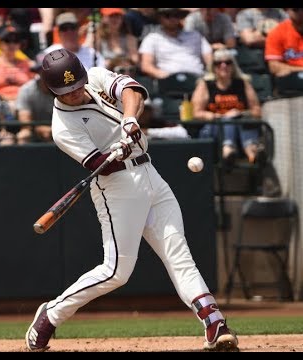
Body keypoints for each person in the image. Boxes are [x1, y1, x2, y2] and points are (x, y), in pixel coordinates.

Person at [25, 48, 239, 352]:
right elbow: (101, 164)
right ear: (52, 90)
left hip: (151, 174)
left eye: (77, 86)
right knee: (116, 272)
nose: (74, 93)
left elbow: (133, 90)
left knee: (179, 256)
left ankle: (215, 324)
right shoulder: (63, 128)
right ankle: (51, 314)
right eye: (66, 91)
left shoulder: (96, 77)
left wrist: (128, 121)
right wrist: (119, 150)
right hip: (117, 188)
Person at [192, 48, 262, 166]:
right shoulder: (205, 85)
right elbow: (196, 113)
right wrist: (221, 116)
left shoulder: (242, 83)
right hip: (213, 128)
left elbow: (257, 111)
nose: (223, 66)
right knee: (228, 121)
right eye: (218, 63)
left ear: (233, 66)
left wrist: (240, 113)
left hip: (239, 127)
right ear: (213, 67)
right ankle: (230, 150)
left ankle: (252, 155)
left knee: (240, 121)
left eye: (228, 62)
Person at [139, 8, 212, 79]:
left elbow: (208, 55)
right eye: (167, 15)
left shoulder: (195, 35)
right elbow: (146, 65)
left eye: (176, 15)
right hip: (168, 81)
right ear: (160, 18)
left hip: (197, 78)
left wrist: (210, 72)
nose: (172, 18)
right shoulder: (152, 38)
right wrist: (162, 75)